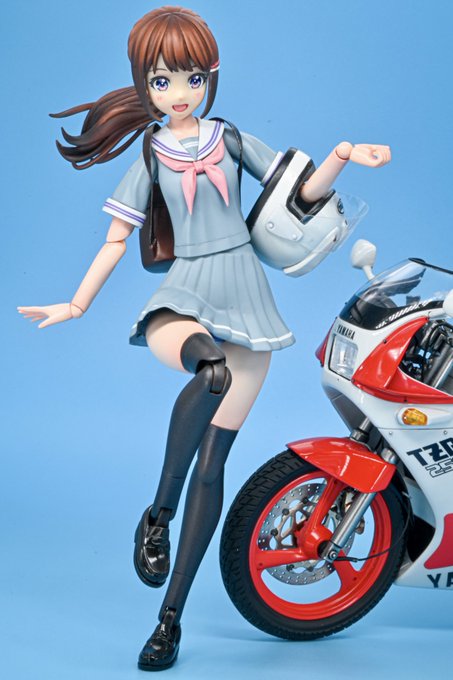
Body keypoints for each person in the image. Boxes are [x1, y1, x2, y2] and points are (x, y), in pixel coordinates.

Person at [18, 5, 391, 672]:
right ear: (145, 83)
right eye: (162, 81)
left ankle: (169, 621)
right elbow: (116, 238)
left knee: (213, 468)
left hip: (248, 297)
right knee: (210, 371)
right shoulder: (149, 154)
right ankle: (157, 514)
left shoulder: (230, 137)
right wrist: (76, 304)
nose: (179, 93)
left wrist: (340, 156)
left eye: (191, 78)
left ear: (210, 77)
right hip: (185, 295)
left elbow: (296, 192)